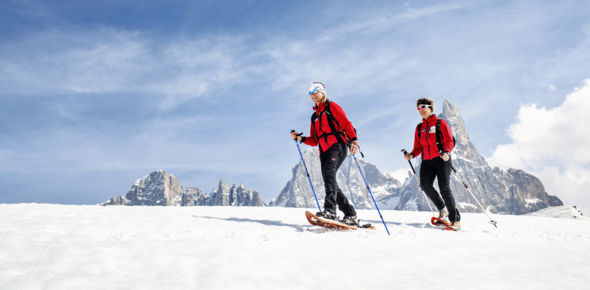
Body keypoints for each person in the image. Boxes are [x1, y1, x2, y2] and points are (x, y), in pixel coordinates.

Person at [290, 82, 360, 226]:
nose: (312, 94)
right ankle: (350, 213)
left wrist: (355, 141)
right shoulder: (314, 116)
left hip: (338, 146)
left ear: (323, 92)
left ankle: (330, 210)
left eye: (315, 91)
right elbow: (315, 140)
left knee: (329, 174)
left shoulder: (332, 107)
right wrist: (300, 138)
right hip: (324, 151)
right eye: (310, 93)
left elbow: (347, 124)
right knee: (330, 179)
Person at [403, 98, 461, 231]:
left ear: (430, 107)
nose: (421, 110)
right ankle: (442, 208)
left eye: (423, 107)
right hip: (427, 161)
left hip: (442, 159)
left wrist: (447, 151)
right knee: (424, 185)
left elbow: (449, 140)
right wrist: (411, 155)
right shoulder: (419, 128)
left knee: (444, 188)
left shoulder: (441, 123)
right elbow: (418, 147)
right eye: (418, 108)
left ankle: (455, 220)